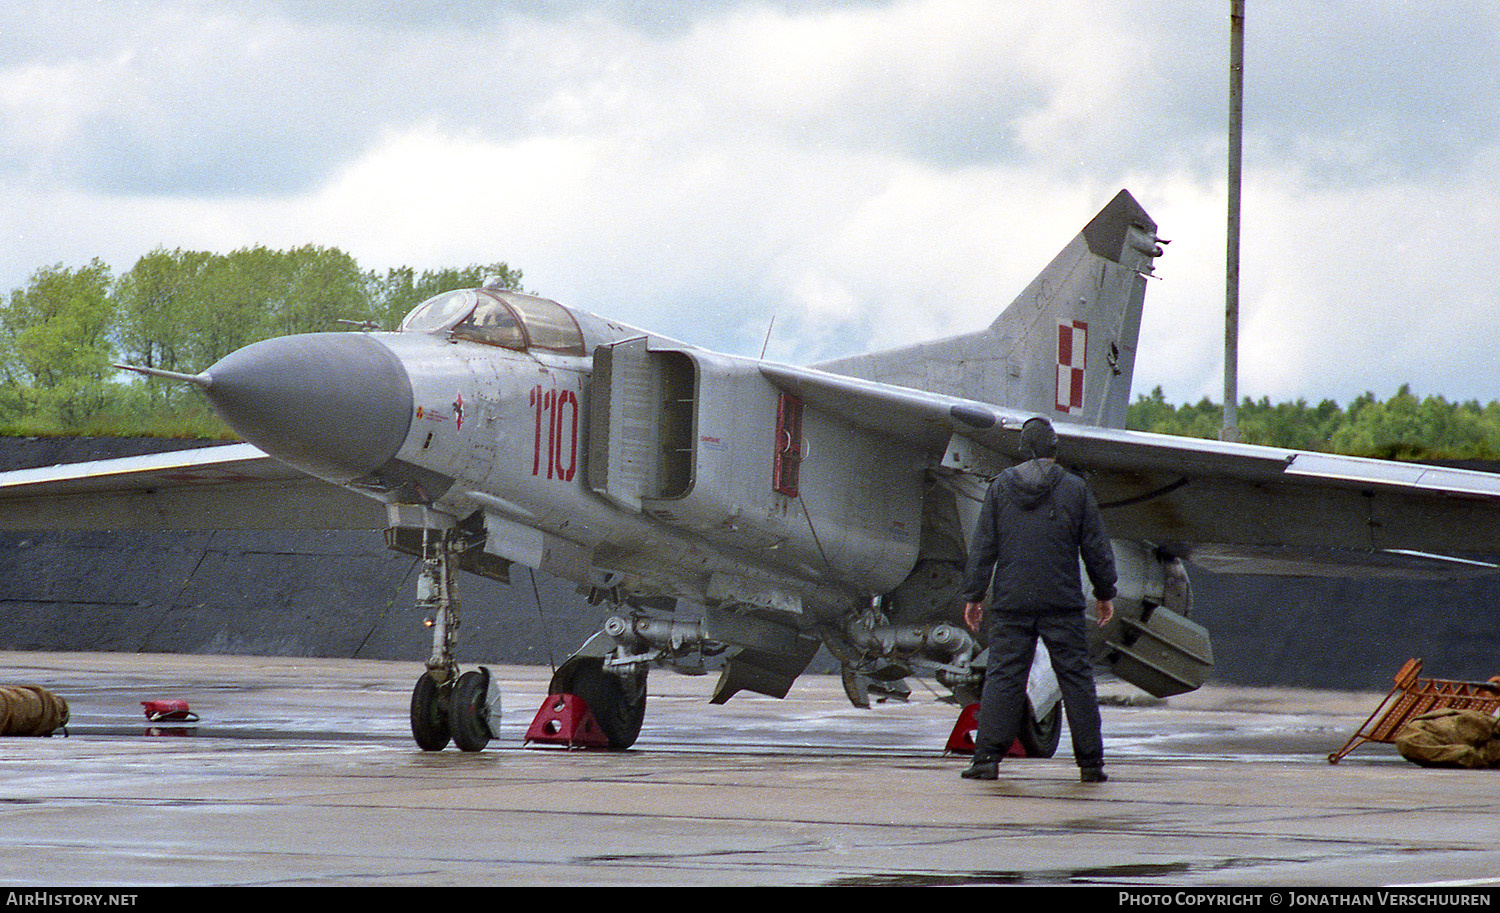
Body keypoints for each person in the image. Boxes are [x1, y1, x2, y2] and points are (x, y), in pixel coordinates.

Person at [959, 416, 1117, 784]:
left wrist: (974, 595)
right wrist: (1105, 593)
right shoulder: (1076, 490)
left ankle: (986, 760)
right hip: (1061, 601)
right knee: (1076, 678)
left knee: (1004, 676)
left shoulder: (999, 489)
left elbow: (983, 547)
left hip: (1013, 600)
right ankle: (1091, 765)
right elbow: (1096, 547)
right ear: (1054, 450)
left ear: (1023, 449)